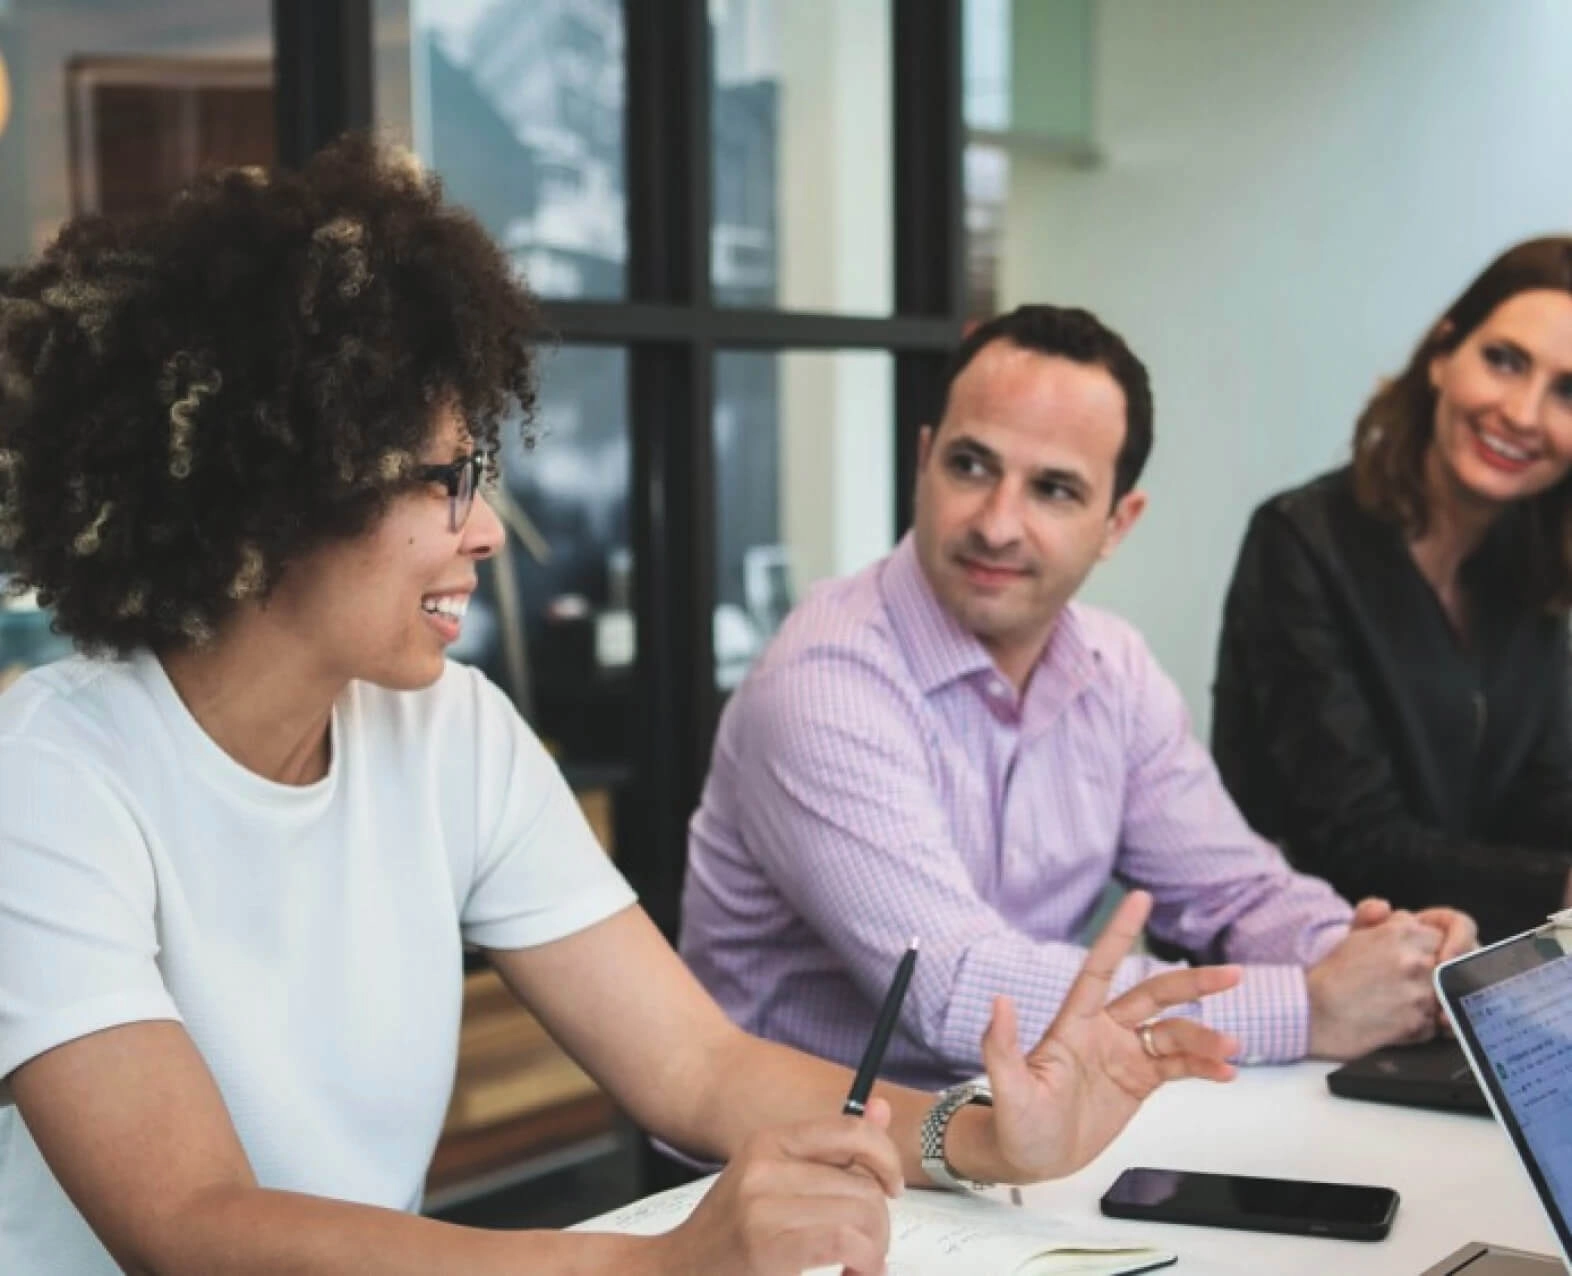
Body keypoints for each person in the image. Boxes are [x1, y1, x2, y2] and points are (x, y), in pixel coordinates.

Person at [0, 138, 1246, 1276]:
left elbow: (695, 1066)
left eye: (476, 475)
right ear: (277, 495)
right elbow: (193, 1223)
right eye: (444, 479)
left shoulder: (456, 734)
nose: (485, 530)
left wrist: (973, 1137)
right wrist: (650, 1267)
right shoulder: (52, 771)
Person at [681, 304, 1477, 1094]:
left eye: (1054, 489)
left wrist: (1381, 959)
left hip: (1017, 1126)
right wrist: (1307, 1006)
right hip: (798, 1156)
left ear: (1116, 523)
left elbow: (1234, 894)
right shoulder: (823, 682)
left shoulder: (1113, 667)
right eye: (970, 466)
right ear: (924, 462)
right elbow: (952, 990)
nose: (997, 524)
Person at [1213, 237, 1572, 944]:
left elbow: (1543, 798)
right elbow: (1352, 838)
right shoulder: (1301, 541)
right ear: (1442, 355)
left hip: (1468, 969)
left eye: (1568, 392)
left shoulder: (1534, 568)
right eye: (1504, 361)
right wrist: (1559, 885)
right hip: (1304, 977)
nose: (1524, 414)